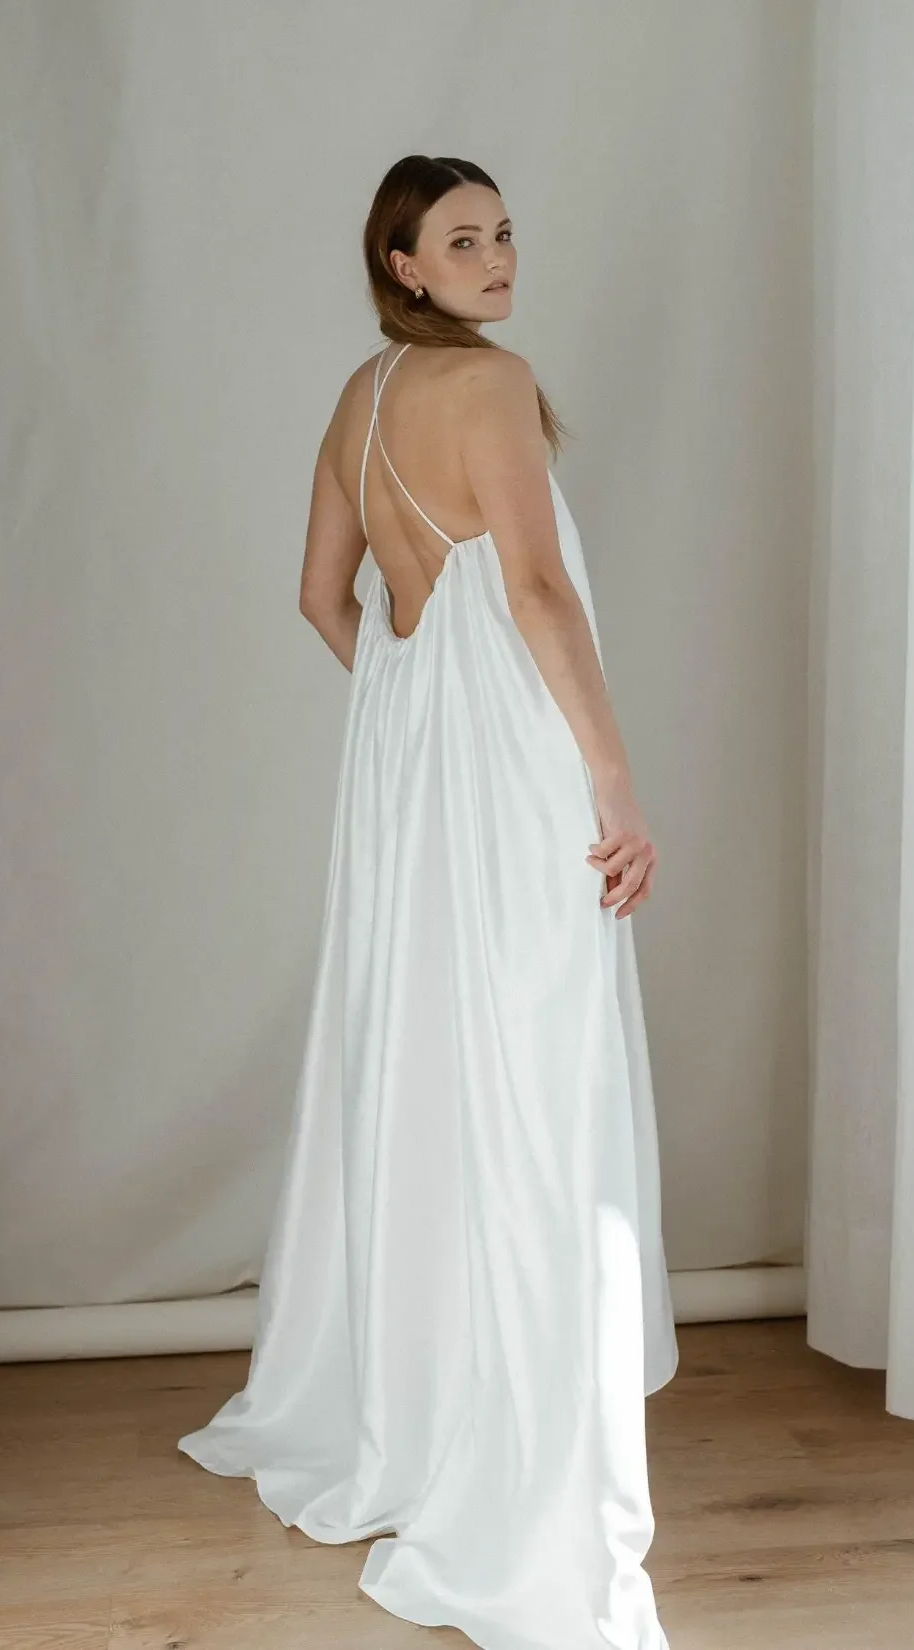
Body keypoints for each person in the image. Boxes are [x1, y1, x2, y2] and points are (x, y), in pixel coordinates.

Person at [178, 153, 679, 1650]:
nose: (497, 255)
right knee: (534, 1090)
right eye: (462, 239)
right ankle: (518, 1440)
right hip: (519, 784)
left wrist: (419, 713)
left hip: (414, 803)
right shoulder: (498, 385)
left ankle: (420, 1399)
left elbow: (327, 596)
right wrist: (609, 778)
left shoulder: (359, 400)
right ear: (403, 263)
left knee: (434, 1079)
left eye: (505, 230)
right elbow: (533, 589)